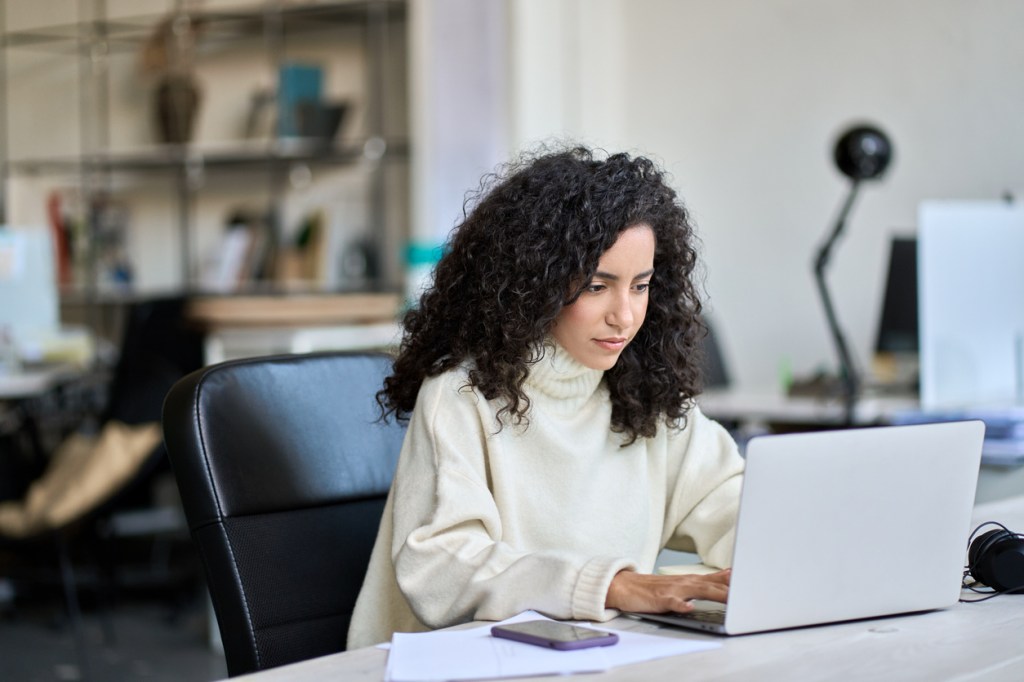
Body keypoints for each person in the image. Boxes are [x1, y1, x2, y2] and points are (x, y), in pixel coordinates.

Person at [347, 145, 744, 648]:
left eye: (640, 286)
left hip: (593, 659)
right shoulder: (462, 394)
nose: (624, 316)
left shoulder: (644, 393)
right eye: (598, 287)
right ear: (535, 284)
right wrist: (615, 587)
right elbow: (441, 567)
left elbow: (735, 507)